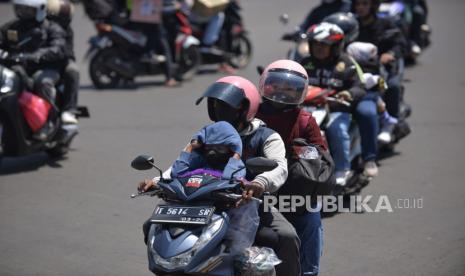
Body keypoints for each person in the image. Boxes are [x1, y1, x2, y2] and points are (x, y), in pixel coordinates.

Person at [139, 76, 301, 276]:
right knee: (152, 227)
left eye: (225, 105)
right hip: (200, 203)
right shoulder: (208, 134)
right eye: (215, 104)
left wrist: (260, 182)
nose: (218, 109)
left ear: (245, 108)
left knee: (286, 236)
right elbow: (181, 164)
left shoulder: (267, 136)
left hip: (251, 205)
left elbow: (280, 168)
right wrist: (156, 181)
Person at [256, 59, 328, 276]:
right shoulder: (252, 115)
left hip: (295, 187)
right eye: (276, 85)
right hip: (256, 186)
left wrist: (296, 152)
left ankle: (308, 272)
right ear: (265, 84)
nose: (282, 92)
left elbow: (319, 156)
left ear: (301, 91)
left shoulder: (305, 121)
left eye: (289, 88)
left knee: (310, 218)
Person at [170, 121, 260, 255]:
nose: (213, 152)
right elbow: (177, 174)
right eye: (209, 148)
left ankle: (236, 257)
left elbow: (229, 179)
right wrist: (190, 147)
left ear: (231, 149)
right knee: (149, 225)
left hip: (220, 215)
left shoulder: (235, 168)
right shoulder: (199, 165)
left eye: (219, 148)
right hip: (192, 211)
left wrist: (236, 155)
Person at [300, 22, 366, 185]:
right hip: (306, 109)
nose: (318, 48)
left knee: (336, 129)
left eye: (324, 45)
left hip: (336, 109)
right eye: (315, 44)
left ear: (335, 46)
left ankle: (342, 169)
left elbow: (360, 87)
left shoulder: (347, 63)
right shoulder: (304, 63)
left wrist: (348, 93)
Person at [0, 0, 67, 140]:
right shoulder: (12, 27)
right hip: (15, 67)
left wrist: (32, 56)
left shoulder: (51, 28)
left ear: (40, 11)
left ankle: (47, 122)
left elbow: (58, 48)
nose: (22, 13)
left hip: (44, 68)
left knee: (42, 83)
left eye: (27, 10)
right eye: (20, 9)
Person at [352, 0, 407, 125]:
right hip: (356, 69)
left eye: (365, 4)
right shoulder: (352, 25)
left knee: (393, 86)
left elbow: (400, 43)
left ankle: (391, 125)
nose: (360, 7)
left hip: (382, 69)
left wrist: (390, 54)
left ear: (373, 5)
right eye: (358, 4)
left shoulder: (386, 23)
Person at [47, 0, 79, 124]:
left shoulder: (67, 31)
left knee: (72, 71)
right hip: (40, 62)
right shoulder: (43, 27)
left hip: (60, 63)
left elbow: (67, 52)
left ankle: (70, 109)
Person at [283, 0, 351, 40]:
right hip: (320, 43)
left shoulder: (349, 6)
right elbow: (305, 25)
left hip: (344, 43)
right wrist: (298, 32)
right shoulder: (318, 10)